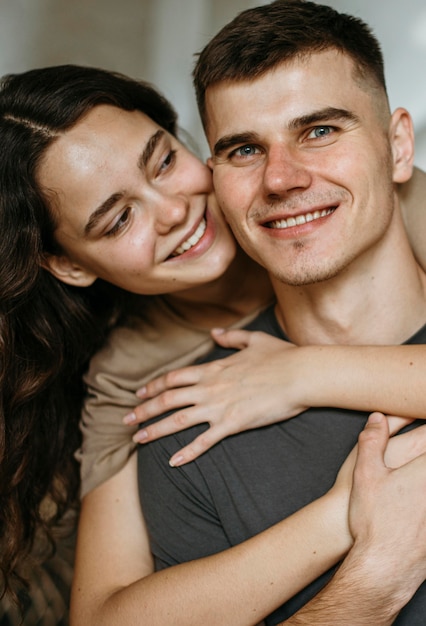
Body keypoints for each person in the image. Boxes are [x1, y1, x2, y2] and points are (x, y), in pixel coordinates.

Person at [0, 63, 425, 626]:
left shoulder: (376, 202)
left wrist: (303, 373)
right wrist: (341, 519)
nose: (174, 210)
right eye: (119, 219)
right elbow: (104, 615)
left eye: (165, 161)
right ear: (69, 264)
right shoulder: (129, 370)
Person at [129, 1, 426, 623]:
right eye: (243, 150)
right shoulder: (188, 426)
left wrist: (305, 372)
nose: (281, 179)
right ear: (213, 178)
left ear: (399, 146)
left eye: (319, 130)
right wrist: (372, 583)